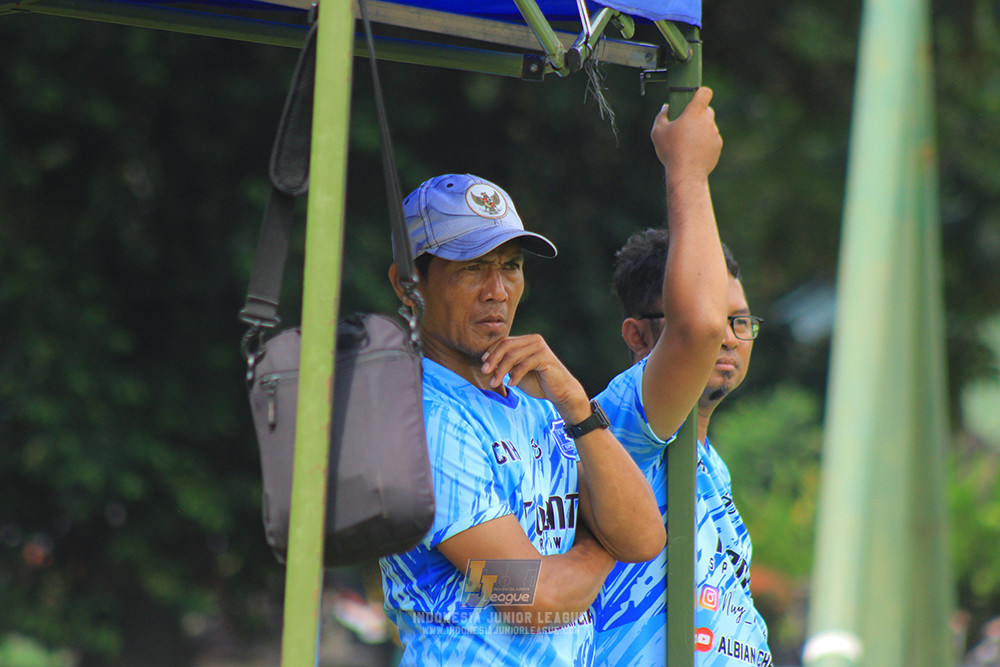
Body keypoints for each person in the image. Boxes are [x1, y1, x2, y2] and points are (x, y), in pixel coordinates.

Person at [378, 88, 726, 667]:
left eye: (511, 266)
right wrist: (600, 542)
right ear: (406, 284)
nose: (497, 291)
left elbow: (643, 535)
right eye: (472, 268)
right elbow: (531, 598)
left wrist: (576, 404)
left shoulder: (537, 401)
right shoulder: (421, 421)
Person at [591, 228, 772, 666]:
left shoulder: (714, 465)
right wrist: (689, 183)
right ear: (638, 337)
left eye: (739, 321)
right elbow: (693, 337)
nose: (727, 338)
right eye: (710, 322)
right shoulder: (623, 425)